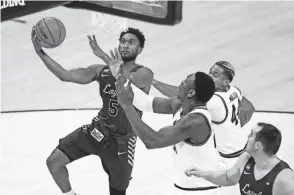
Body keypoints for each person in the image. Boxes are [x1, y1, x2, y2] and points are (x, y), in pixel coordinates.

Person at [31, 27, 153, 195]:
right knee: (54, 162)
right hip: (97, 131)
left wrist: (105, 57)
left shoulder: (144, 74)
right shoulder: (100, 70)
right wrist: (40, 53)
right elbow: (65, 75)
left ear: (139, 50)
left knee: (118, 191)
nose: (125, 45)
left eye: (131, 43)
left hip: (121, 142)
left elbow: (126, 84)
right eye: (123, 42)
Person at [113, 59, 222, 195]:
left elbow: (153, 141)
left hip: (203, 191)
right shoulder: (179, 104)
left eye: (183, 83)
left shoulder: (196, 121)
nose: (179, 85)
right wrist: (121, 79)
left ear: (191, 93)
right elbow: (146, 103)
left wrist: (127, 106)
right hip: (185, 187)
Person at [152, 61, 255, 194]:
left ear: (225, 82)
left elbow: (181, 95)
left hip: (227, 161)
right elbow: (249, 108)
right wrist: (233, 127)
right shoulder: (234, 90)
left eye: (215, 74)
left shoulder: (214, 101)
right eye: (210, 72)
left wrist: (153, 82)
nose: (210, 76)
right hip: (243, 152)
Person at [186, 122, 294, 195]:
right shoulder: (246, 159)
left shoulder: (285, 179)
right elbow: (228, 178)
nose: (248, 136)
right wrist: (201, 173)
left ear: (258, 146)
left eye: (251, 135)